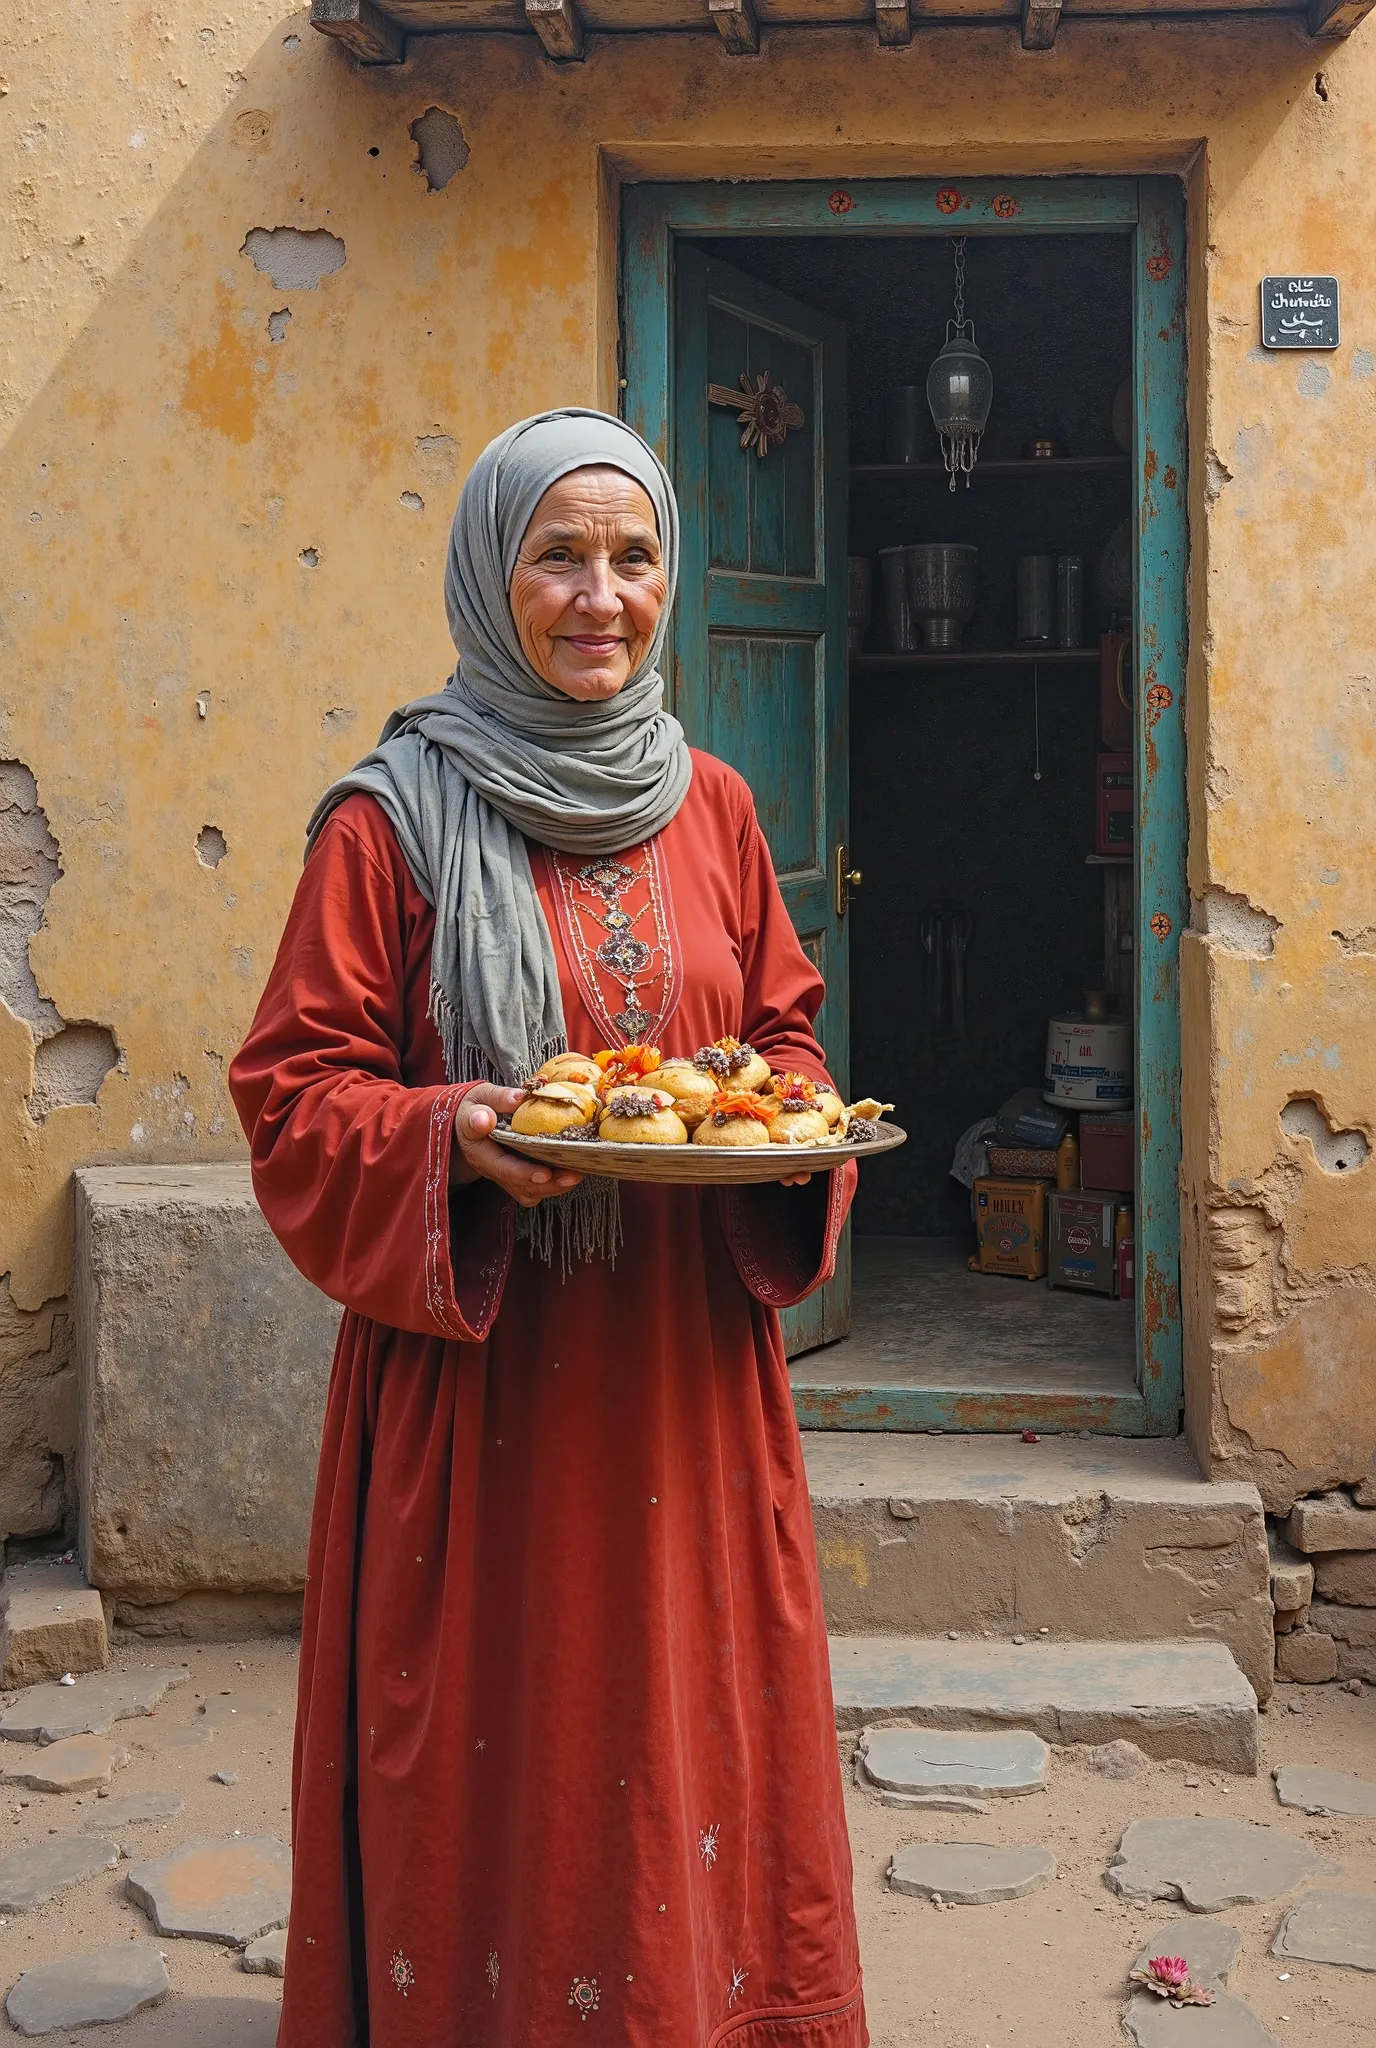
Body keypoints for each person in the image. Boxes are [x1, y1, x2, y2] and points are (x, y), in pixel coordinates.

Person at [229, 408, 866, 2045]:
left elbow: (781, 1042)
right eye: (560, 557)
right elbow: (294, 1098)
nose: (602, 596)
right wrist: (457, 1137)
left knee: (686, 1737)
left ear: (673, 579)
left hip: (683, 1388)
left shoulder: (713, 806)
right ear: (487, 575)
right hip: (482, 1400)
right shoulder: (387, 821)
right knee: (511, 1744)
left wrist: (788, 1127)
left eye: (634, 557)